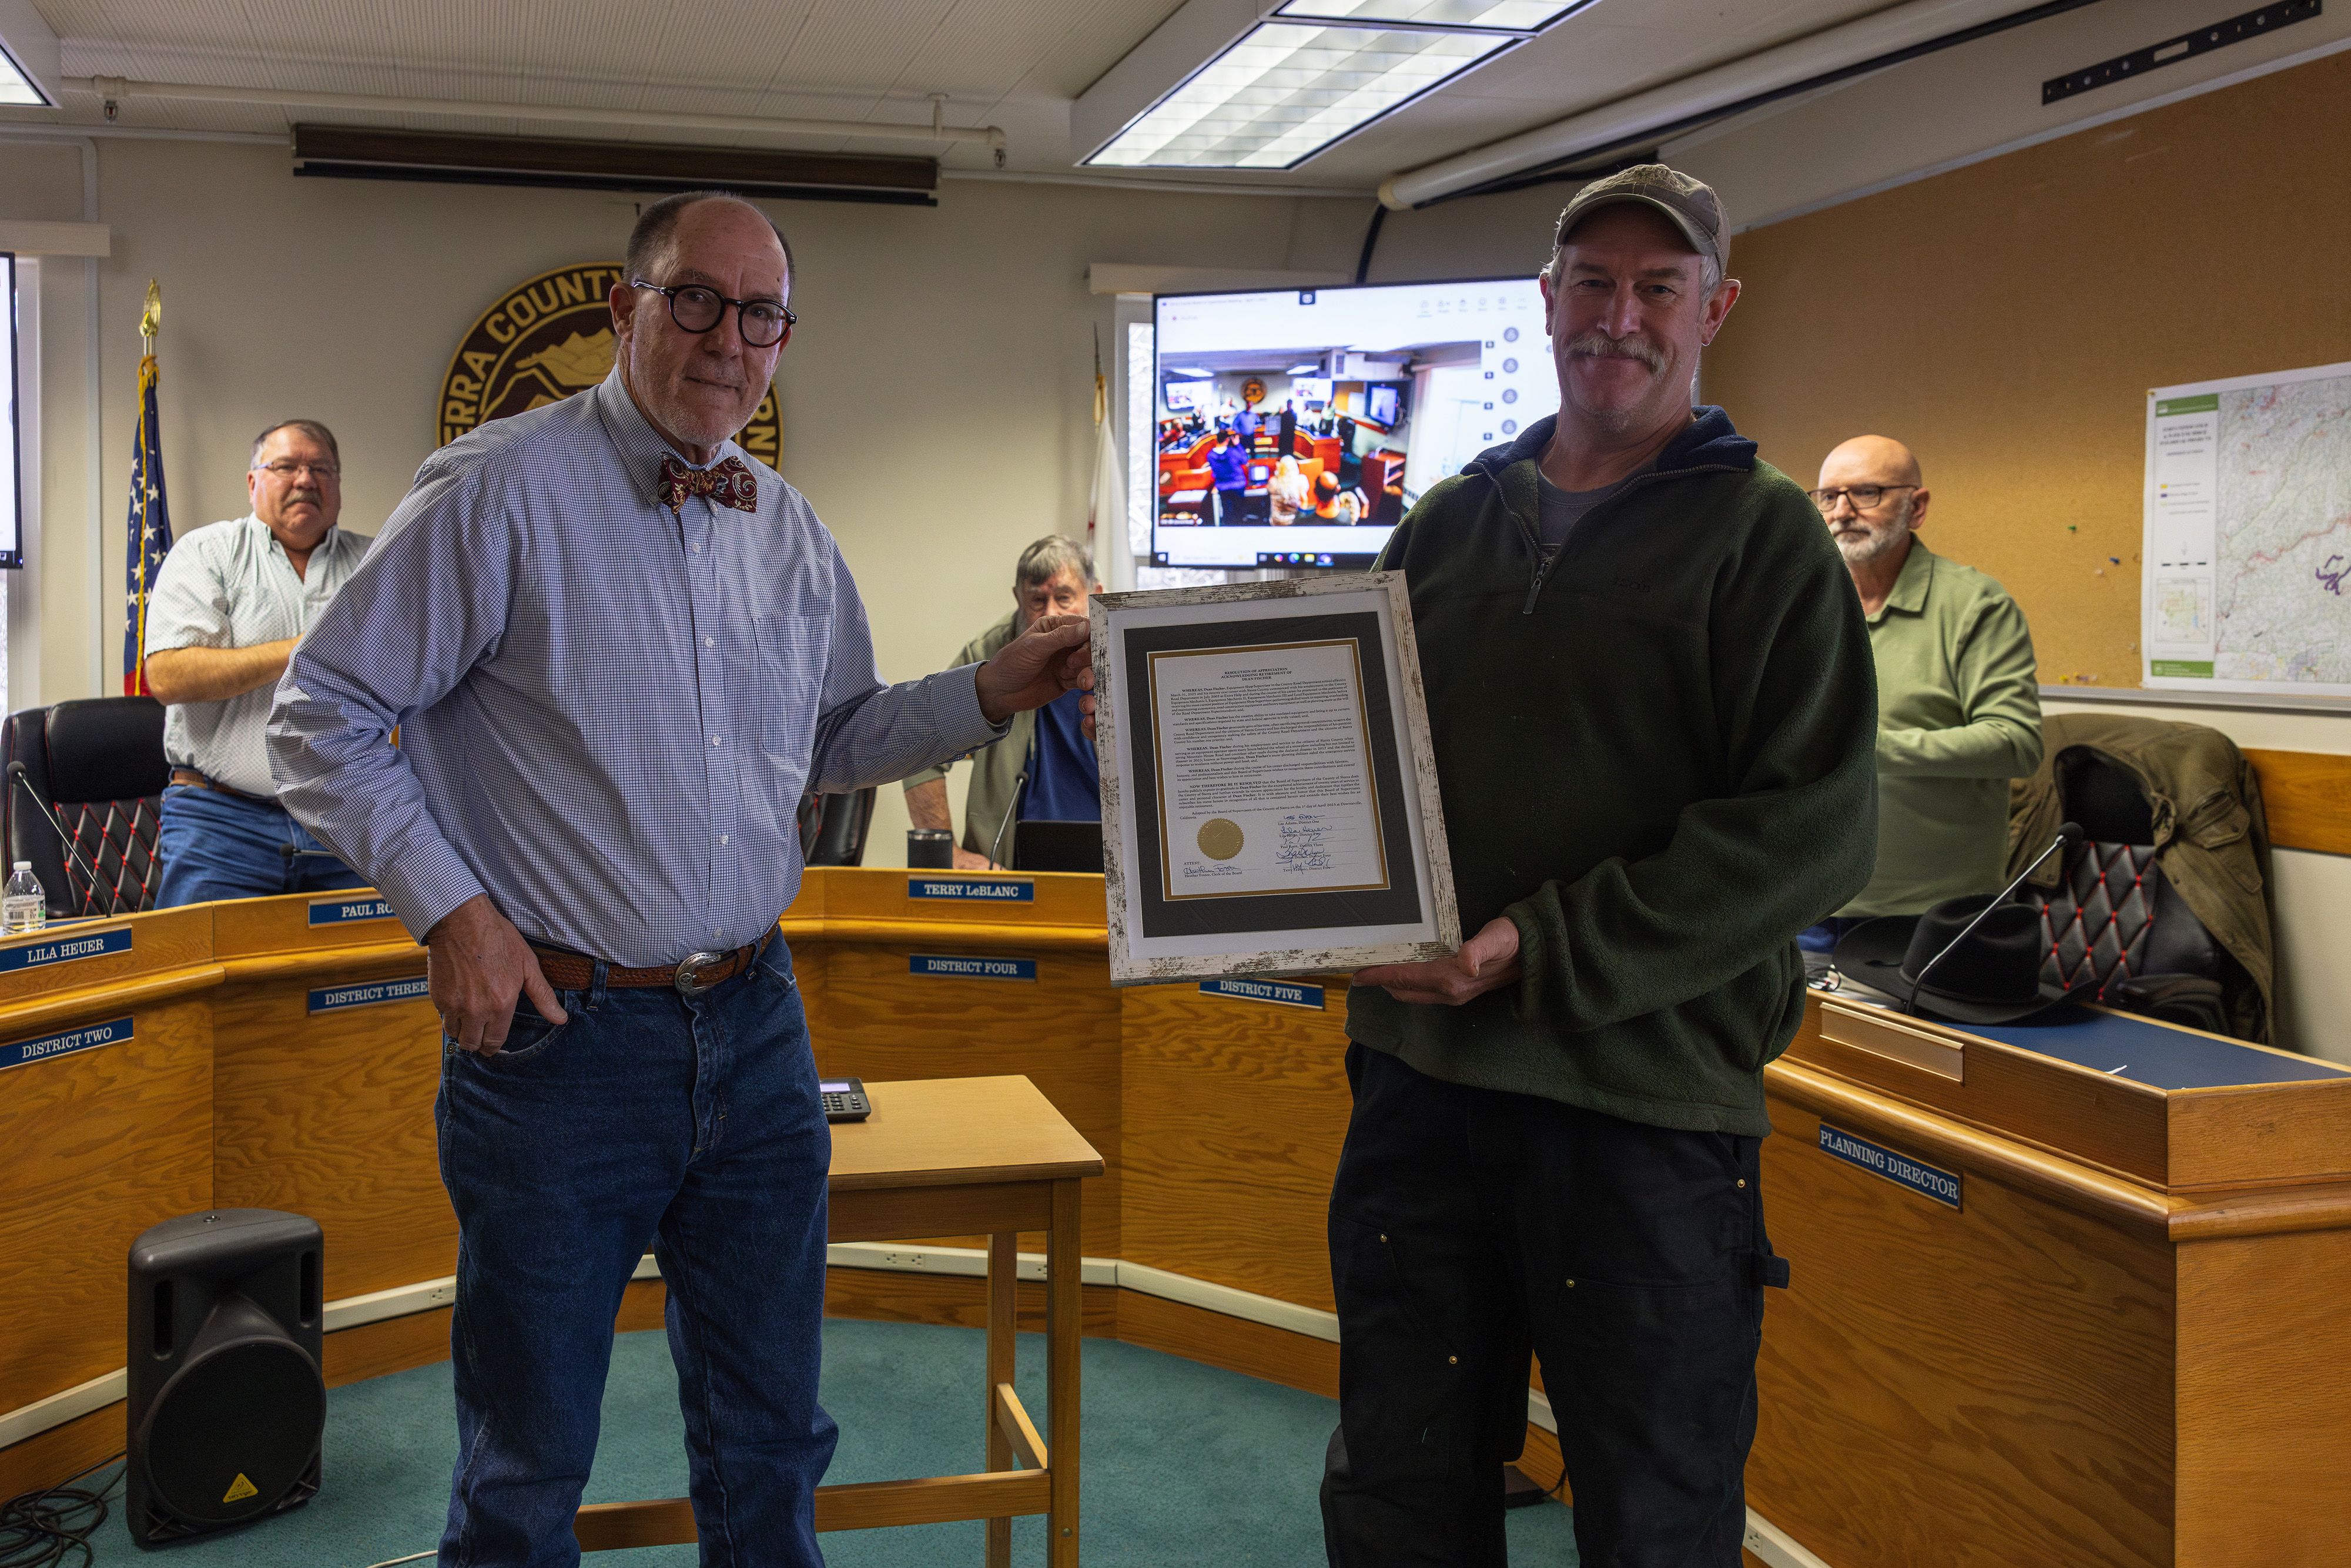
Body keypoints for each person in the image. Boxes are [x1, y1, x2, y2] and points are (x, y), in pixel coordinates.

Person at [266, 189, 1090, 1567]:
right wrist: (453, 912)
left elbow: (835, 738)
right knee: (527, 1461)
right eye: (695, 299)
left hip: (756, 1029)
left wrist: (990, 690)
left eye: (760, 314)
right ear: (624, 309)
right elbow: (321, 713)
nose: (727, 337)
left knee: (772, 1438)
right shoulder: (500, 490)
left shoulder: (787, 527)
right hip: (558, 1045)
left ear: (782, 341)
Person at [1317, 165, 1877, 1565]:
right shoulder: (1447, 521)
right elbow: (1346, 747)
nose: (1617, 316)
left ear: (1713, 309)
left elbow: (1809, 829)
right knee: (1395, 1485)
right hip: (1421, 1088)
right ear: (1547, 297)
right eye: (1591, 281)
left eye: (1656, 287)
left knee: (1652, 1509)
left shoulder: (1763, 537)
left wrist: (1536, 945)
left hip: (1640, 1110)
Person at [1801, 435, 2041, 952]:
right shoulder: (1799, 601)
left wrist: (1865, 749)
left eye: (1866, 493)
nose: (1842, 512)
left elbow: (2016, 742)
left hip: (1926, 913)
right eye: (1828, 497)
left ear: (1918, 506)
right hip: (1804, 900)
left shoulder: (1976, 606)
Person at [143, 420, 371, 906]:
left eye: (321, 469)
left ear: (337, 485)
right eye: (286, 467)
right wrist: (306, 650)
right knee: (200, 957)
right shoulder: (207, 553)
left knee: (375, 956)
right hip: (220, 821)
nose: (305, 480)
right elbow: (168, 676)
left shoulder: (375, 563)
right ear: (253, 483)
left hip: (348, 820)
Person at [903, 535, 1103, 869]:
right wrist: (949, 854)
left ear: (1095, 594)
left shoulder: (1121, 650)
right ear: (1017, 598)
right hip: (1008, 867)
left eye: (1064, 598)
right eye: (1037, 600)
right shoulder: (986, 655)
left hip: (1110, 861)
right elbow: (919, 745)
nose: (1050, 614)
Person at [1205, 427, 1252, 524]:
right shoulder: (1233, 452)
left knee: (1227, 513)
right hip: (1238, 485)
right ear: (1227, 439)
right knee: (1239, 512)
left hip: (1223, 487)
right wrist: (1238, 445)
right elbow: (1245, 460)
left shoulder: (1210, 455)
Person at [1268, 454, 1311, 526]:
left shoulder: (1273, 482)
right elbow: (1304, 501)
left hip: (1277, 521)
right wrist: (1301, 517)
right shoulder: (1301, 481)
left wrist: (1277, 471)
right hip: (1294, 521)